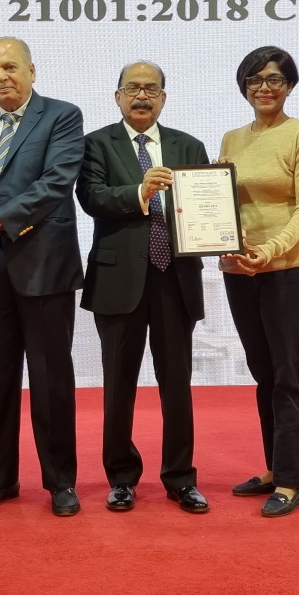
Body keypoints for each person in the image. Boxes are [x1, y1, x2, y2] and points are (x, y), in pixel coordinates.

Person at [0, 37, 84, 517]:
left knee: (52, 380)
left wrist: (0, 218)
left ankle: (60, 482)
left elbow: (56, 182)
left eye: (10, 66)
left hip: (43, 265)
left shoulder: (61, 116)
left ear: (32, 69)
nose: (1, 76)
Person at [77, 61, 210, 514]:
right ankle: (121, 476)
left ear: (164, 98)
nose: (142, 96)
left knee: (178, 384)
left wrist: (222, 231)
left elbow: (207, 205)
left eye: (151, 88)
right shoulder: (96, 143)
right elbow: (91, 197)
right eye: (132, 88)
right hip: (119, 280)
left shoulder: (188, 146)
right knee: (119, 384)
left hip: (175, 277)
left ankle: (180, 478)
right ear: (117, 96)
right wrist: (139, 191)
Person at [219, 46, 299, 517]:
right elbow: (221, 201)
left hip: (289, 270)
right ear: (244, 85)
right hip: (240, 272)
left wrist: (269, 249)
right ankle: (272, 466)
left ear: (289, 86)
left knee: (288, 374)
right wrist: (228, 243)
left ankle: (290, 480)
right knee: (263, 372)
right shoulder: (231, 138)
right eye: (256, 79)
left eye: (276, 79)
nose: (265, 87)